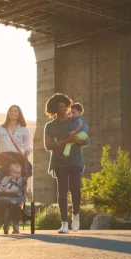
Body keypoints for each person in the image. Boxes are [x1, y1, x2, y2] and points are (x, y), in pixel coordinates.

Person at [43, 93, 90, 234]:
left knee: (75, 187)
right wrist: (64, 142)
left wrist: (76, 141)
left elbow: (87, 141)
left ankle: (76, 214)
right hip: (59, 161)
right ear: (54, 110)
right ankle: (64, 222)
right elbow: (48, 145)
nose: (64, 109)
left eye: (65, 106)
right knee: (62, 191)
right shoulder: (50, 126)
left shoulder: (74, 121)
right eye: (61, 107)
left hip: (75, 160)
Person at [0, 105, 31, 234]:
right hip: (4, 160)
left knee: (17, 189)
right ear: (7, 113)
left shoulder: (24, 130)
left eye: (16, 111)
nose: (13, 113)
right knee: (1, 185)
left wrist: (25, 158)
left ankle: (16, 223)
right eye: (11, 111)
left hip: (18, 162)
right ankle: (1, 214)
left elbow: (27, 146)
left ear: (19, 114)